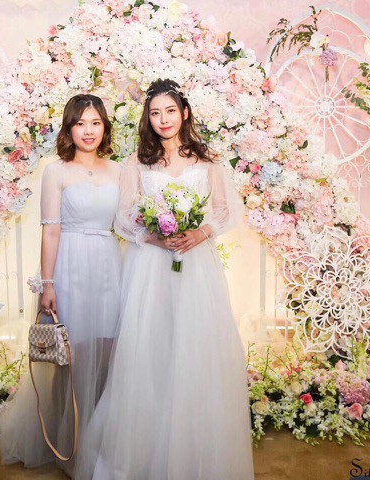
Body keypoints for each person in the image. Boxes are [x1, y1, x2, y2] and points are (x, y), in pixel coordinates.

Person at [77, 79, 254, 480]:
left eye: (170, 111)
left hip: (196, 266)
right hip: (151, 268)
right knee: (150, 351)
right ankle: (142, 454)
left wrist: (200, 233)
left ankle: (191, 453)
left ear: (184, 113)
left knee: (194, 350)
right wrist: (154, 236)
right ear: (148, 118)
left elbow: (225, 211)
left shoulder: (207, 161)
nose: (163, 119)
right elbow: (123, 219)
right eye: (155, 113)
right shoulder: (137, 164)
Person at [0, 94, 122, 479]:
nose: (88, 130)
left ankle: (98, 442)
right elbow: (51, 231)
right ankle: (64, 443)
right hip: (70, 265)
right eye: (80, 123)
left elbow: (128, 224)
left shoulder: (119, 171)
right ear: (69, 129)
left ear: (105, 127)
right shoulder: (57, 171)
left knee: (107, 353)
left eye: (95, 122)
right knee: (70, 357)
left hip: (109, 264)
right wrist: (48, 283)